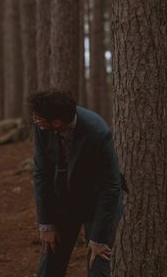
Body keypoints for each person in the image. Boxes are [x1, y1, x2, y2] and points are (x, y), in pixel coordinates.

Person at [30, 89, 124, 277]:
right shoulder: (42, 126)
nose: (35, 120)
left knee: (98, 264)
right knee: (50, 262)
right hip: (64, 201)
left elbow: (111, 185)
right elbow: (41, 174)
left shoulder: (97, 132)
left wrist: (98, 238)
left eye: (38, 118)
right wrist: (46, 224)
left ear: (56, 123)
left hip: (98, 203)